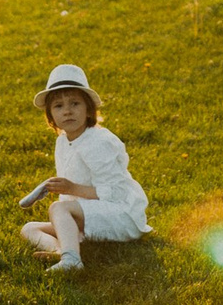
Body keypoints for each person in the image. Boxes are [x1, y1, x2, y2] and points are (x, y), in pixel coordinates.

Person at [18, 63, 147, 272]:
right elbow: (70, 196)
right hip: (91, 214)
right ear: (51, 116)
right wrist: (66, 199)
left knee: (57, 208)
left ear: (88, 109)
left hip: (121, 215)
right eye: (58, 106)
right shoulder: (63, 140)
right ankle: (62, 250)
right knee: (30, 229)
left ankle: (72, 260)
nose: (67, 111)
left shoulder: (98, 142)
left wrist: (71, 189)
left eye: (75, 103)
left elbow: (116, 192)